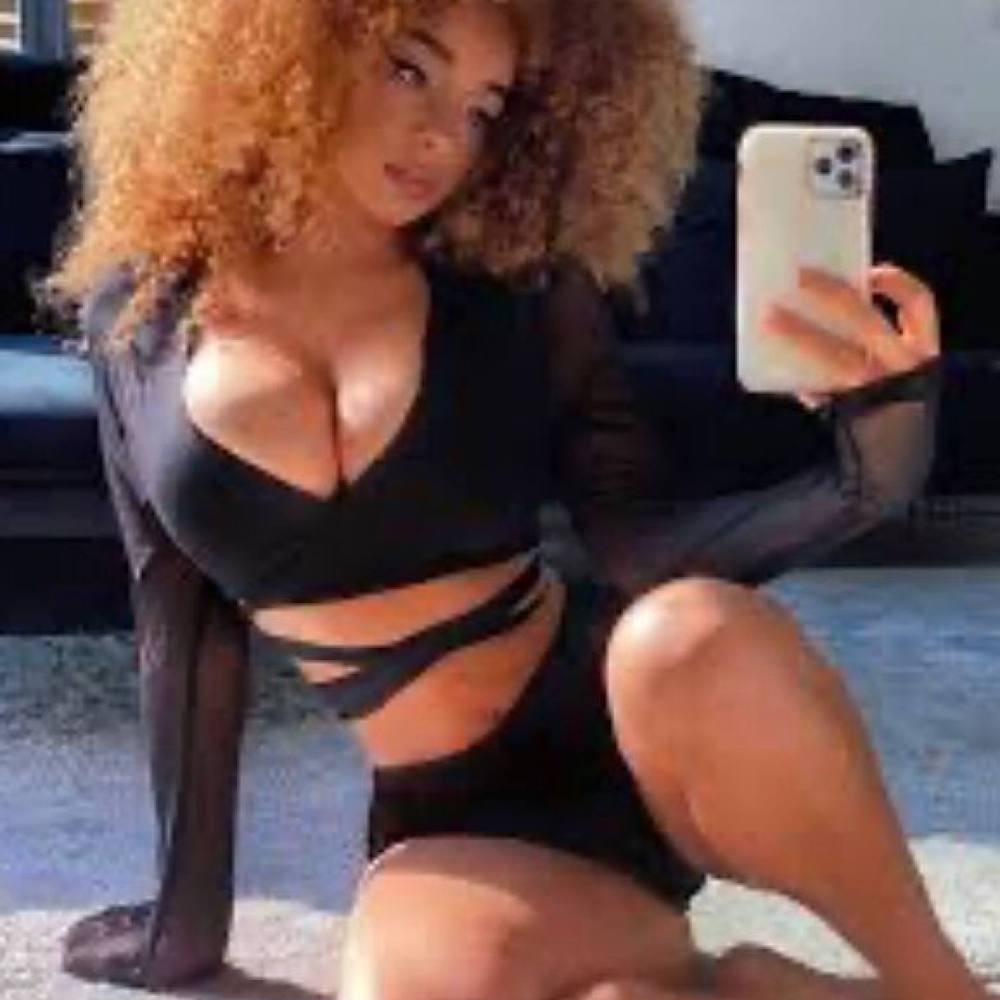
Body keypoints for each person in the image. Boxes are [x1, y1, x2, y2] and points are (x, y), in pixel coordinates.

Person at [42, 0, 984, 996]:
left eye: (485, 107)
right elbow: (182, 627)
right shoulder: (139, 319)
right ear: (291, 48)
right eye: (410, 69)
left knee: (688, 631)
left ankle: (938, 986)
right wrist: (183, 930)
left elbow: (636, 550)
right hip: (453, 817)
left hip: (637, 723)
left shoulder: (517, 283)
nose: (443, 136)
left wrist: (865, 480)